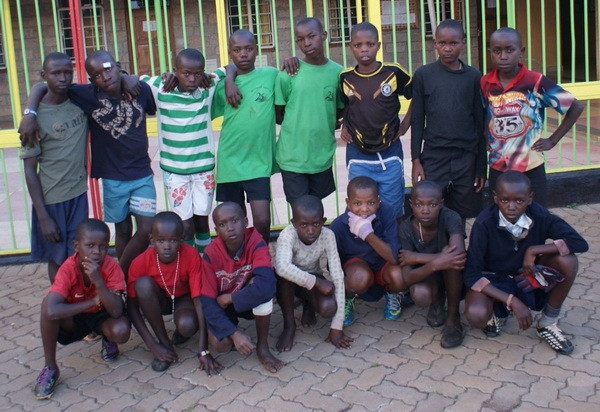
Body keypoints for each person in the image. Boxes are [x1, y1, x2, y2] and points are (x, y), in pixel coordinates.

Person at [20, 50, 158, 278]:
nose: (105, 76)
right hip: (105, 180)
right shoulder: (85, 96)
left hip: (135, 175)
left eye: (109, 69)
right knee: (119, 230)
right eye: (97, 75)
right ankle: (110, 284)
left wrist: (127, 77)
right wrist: (29, 112)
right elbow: (41, 87)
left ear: (117, 66)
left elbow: (157, 96)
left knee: (145, 229)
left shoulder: (137, 89)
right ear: (91, 80)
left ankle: (120, 275)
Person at [464, 171, 588, 354]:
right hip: (494, 279)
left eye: (519, 201)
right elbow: (471, 275)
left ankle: (547, 323)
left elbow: (579, 243)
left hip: (526, 275)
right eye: (505, 200)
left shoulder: (538, 214)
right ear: (495, 198)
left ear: (530, 198)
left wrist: (534, 250)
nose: (511, 207)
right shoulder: (484, 222)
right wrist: (512, 301)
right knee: (476, 314)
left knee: (568, 261)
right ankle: (498, 310)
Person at [141, 48, 232, 254]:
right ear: (175, 71)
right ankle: (189, 261)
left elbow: (229, 67)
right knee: (186, 224)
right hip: (175, 171)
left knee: (202, 221)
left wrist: (223, 79)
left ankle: (203, 261)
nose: (192, 79)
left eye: (197, 73)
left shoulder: (207, 86)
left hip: (203, 169)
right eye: (186, 73)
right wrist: (165, 76)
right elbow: (132, 79)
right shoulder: (161, 88)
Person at [481, 27, 584, 206]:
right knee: (500, 214)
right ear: (490, 53)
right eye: (497, 51)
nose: (503, 56)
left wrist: (552, 140)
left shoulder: (534, 81)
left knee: (535, 213)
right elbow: (485, 112)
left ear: (521, 52)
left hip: (530, 166)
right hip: (498, 165)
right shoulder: (486, 82)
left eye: (509, 50)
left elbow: (575, 106)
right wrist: (486, 136)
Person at [34, 219, 130, 399]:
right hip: (76, 316)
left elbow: (117, 311)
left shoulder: (111, 266)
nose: (97, 251)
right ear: (76, 246)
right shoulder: (68, 268)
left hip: (102, 315)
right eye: (90, 245)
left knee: (121, 330)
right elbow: (51, 311)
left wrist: (98, 281)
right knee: (47, 304)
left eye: (103, 246)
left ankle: (108, 338)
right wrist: (92, 302)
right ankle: (50, 367)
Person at [20, 52, 88, 285]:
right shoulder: (34, 120)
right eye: (56, 73)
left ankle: (77, 300)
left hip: (78, 194)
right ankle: (59, 300)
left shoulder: (79, 101)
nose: (62, 78)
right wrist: (43, 217)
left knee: (78, 253)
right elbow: (30, 170)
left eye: (67, 72)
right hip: (52, 201)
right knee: (57, 258)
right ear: (44, 75)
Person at [411, 19, 486, 222]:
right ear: (435, 43)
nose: (447, 48)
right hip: (434, 156)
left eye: (453, 43)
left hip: (466, 156)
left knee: (463, 212)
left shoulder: (473, 76)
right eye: (442, 43)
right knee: (432, 210)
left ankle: (459, 242)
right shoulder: (424, 75)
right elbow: (417, 120)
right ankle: (438, 243)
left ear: (463, 42)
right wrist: (416, 160)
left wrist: (481, 166)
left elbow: (480, 123)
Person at [196, 202, 284, 372]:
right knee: (221, 344)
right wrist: (234, 333)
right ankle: (226, 329)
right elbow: (207, 302)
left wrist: (230, 298)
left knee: (262, 288)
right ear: (216, 230)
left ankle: (262, 347)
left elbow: (267, 285)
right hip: (224, 306)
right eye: (222, 224)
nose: (230, 228)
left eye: (234, 220)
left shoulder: (256, 242)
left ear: (245, 221)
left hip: (244, 299)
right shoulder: (211, 254)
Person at [339, 22, 412, 220]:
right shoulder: (345, 77)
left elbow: (418, 95)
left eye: (370, 44)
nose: (364, 49)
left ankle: (390, 240)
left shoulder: (393, 72)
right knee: (360, 212)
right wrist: (345, 124)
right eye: (358, 45)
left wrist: (406, 124)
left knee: (392, 212)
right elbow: (346, 104)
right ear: (351, 46)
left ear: (378, 46)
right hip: (358, 156)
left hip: (390, 154)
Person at [211, 30, 278, 244]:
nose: (243, 54)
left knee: (262, 219)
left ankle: (261, 256)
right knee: (233, 222)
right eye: (237, 50)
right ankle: (239, 260)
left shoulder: (270, 75)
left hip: (258, 161)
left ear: (256, 50)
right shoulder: (222, 86)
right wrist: (229, 79)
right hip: (230, 161)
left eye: (249, 49)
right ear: (230, 52)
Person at [127, 212, 212, 372]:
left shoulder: (191, 255)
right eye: (161, 241)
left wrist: (203, 349)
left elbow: (198, 300)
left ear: (181, 239)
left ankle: (182, 333)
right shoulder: (139, 262)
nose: (167, 246)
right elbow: (131, 307)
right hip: (158, 301)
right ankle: (165, 343)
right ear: (152, 239)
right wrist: (153, 345)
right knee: (143, 284)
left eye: (173, 240)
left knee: (187, 325)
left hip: (183, 299)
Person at [275, 17, 344, 203]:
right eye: (300, 39)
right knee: (301, 211)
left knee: (316, 210)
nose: (306, 43)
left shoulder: (338, 73)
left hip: (321, 156)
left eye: (311, 36)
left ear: (324, 35)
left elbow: (339, 110)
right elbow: (279, 113)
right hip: (292, 158)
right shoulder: (289, 72)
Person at [274, 195, 352, 352]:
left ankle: (308, 306)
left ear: (323, 221)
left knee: (329, 307)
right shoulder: (287, 235)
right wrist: (316, 282)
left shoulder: (328, 235)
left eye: (316, 224)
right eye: (303, 225)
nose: (310, 230)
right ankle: (289, 325)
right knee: (284, 278)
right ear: (294, 223)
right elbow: (282, 267)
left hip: (312, 278)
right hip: (289, 284)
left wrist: (337, 326)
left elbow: (337, 275)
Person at [397, 181, 467, 348]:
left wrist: (417, 257)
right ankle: (437, 302)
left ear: (441, 203)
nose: (425, 210)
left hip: (454, 276)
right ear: (411, 204)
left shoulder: (450, 217)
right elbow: (407, 277)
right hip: (427, 276)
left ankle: (453, 317)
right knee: (420, 294)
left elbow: (458, 257)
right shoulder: (405, 227)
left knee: (451, 259)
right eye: (419, 204)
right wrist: (436, 263)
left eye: (432, 205)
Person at [329, 176, 404, 325]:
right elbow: (334, 268)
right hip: (359, 271)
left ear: (378, 201)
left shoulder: (386, 213)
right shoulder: (338, 226)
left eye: (371, 203)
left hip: (383, 266)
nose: (364, 209)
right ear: (348, 203)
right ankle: (348, 298)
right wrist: (346, 288)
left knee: (399, 275)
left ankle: (392, 294)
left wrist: (367, 234)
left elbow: (394, 257)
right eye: (357, 203)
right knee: (359, 277)